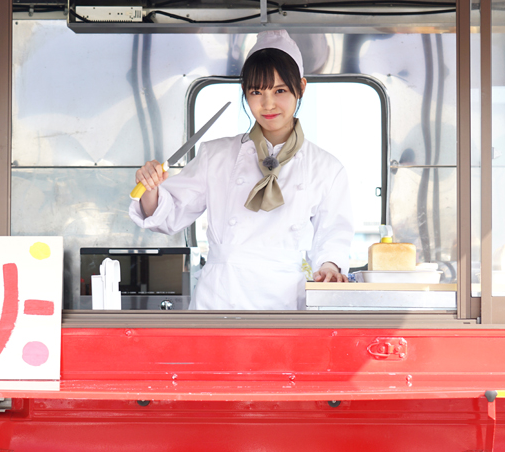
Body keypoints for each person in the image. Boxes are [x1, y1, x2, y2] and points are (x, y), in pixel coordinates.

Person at [129, 30, 352, 310]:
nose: (268, 104)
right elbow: (167, 215)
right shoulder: (216, 155)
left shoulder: (326, 167)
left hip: (284, 302)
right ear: (245, 91)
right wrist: (151, 188)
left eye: (280, 90)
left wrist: (329, 266)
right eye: (256, 92)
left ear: (301, 87)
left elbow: (333, 234)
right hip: (221, 298)